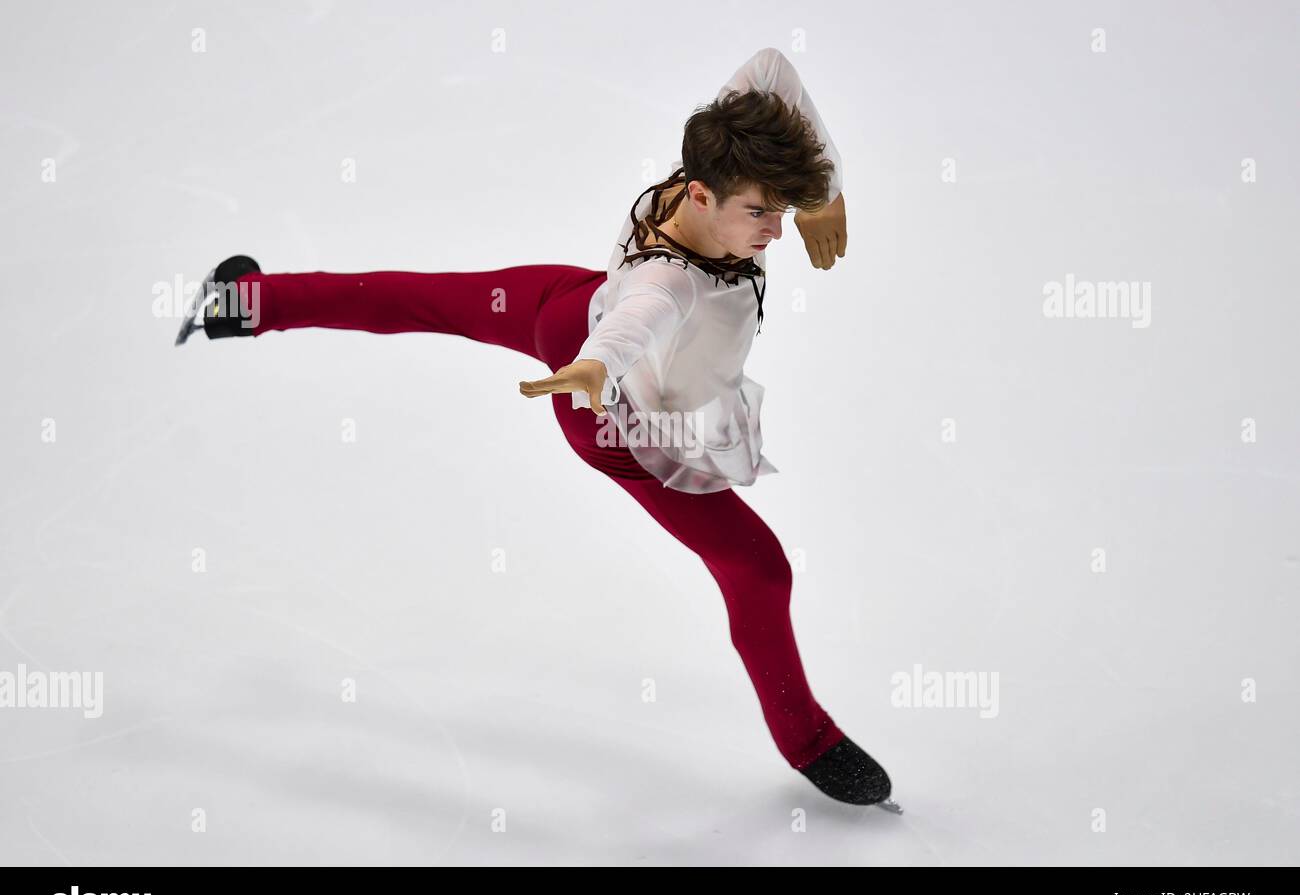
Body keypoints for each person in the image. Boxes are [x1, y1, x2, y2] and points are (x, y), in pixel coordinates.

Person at [175, 47, 900, 812]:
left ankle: (244, 301)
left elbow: (771, 68)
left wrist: (823, 194)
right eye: (761, 213)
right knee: (760, 570)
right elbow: (637, 319)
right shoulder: (670, 283)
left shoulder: (713, 156)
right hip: (614, 419)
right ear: (700, 195)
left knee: (431, 299)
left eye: (781, 211)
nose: (778, 230)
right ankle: (807, 740)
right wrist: (596, 366)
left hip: (570, 307)